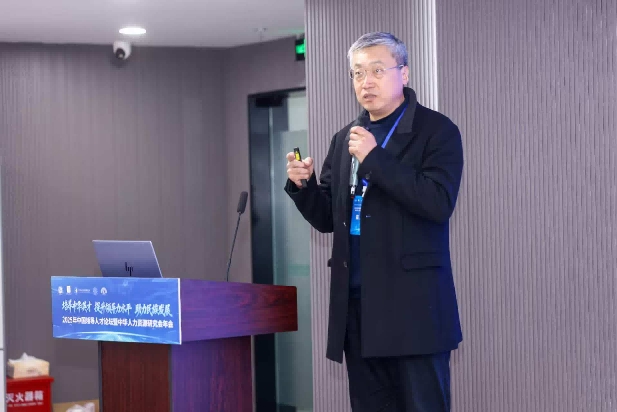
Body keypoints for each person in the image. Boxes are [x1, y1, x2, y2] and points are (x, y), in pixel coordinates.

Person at [284, 32, 464, 411]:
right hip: (359, 309)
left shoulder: (437, 131)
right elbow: (329, 218)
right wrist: (303, 186)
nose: (366, 82)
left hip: (413, 312)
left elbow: (437, 202)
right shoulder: (344, 139)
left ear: (404, 73)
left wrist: (375, 159)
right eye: (357, 73)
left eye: (377, 71)